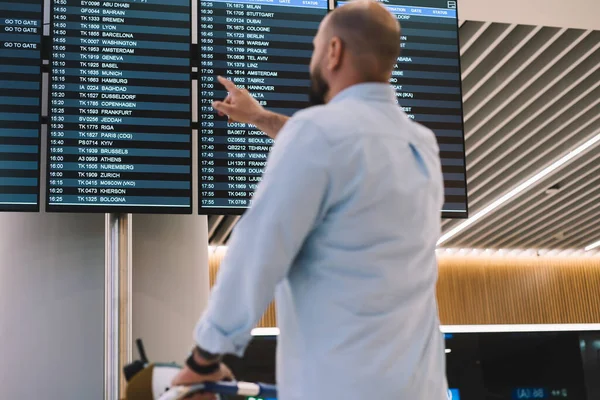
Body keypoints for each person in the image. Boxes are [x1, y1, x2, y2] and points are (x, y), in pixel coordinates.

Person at [172, 0, 449, 399]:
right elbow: (345, 143)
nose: (313, 58)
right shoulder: (422, 144)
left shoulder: (318, 133)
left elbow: (257, 250)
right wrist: (260, 117)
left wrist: (204, 359)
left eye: (316, 47)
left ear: (334, 51)